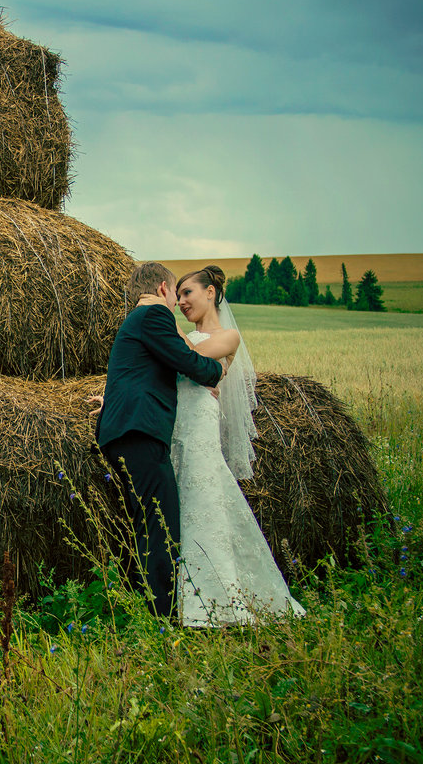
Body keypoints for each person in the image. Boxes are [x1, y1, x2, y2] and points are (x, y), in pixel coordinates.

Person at [170, 266, 304, 626]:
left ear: (210, 292)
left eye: (188, 294)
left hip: (200, 426)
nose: (181, 302)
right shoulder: (182, 336)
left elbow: (188, 358)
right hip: (174, 428)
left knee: (206, 503)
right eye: (178, 295)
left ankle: (217, 601)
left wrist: (163, 318)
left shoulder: (228, 337)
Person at [94, 262, 224, 618]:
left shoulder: (134, 322)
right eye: (175, 293)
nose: (177, 303)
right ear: (164, 290)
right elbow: (186, 360)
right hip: (140, 431)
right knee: (161, 523)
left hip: (123, 432)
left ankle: (138, 606)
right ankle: (160, 616)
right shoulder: (154, 317)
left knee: (144, 522)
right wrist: (218, 371)